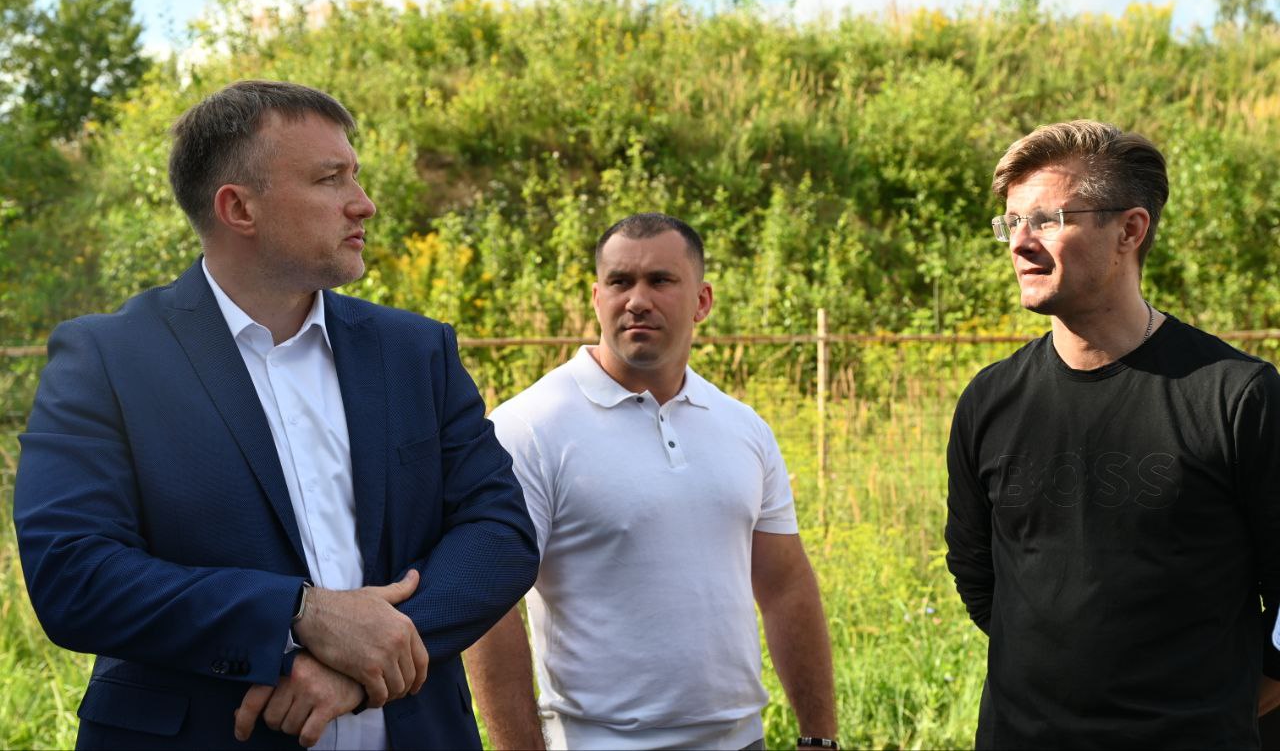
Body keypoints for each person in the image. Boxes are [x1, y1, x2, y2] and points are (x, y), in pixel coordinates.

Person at [14, 80, 539, 750]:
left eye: (355, 175)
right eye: (330, 179)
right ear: (239, 208)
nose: (364, 203)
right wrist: (297, 612)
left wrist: (369, 660)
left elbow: (499, 530)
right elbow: (73, 574)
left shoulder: (416, 351)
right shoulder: (107, 359)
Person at [945, 119, 1280, 748]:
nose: (1020, 243)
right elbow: (976, 573)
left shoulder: (1237, 396)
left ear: (1130, 230)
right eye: (1011, 223)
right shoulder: (990, 401)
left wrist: (1231, 696)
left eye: (1047, 220)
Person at [463, 213, 839, 751]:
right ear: (597, 298)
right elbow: (490, 609)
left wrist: (819, 738)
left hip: (742, 740)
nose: (637, 300)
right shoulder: (529, 429)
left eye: (660, 280)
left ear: (702, 301)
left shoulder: (743, 428)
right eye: (620, 282)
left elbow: (785, 586)